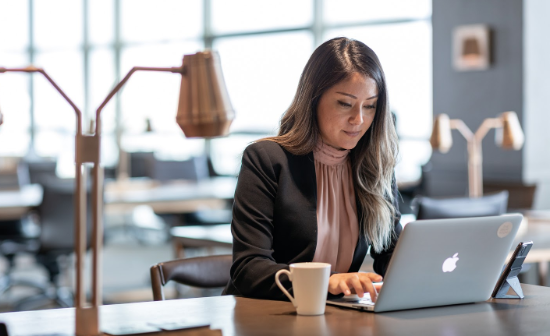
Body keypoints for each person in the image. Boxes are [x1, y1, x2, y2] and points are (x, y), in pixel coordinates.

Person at [223, 37, 401, 302]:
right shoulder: (266, 159)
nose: (359, 119)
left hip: (333, 317)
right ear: (313, 99)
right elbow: (249, 269)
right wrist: (325, 283)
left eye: (370, 106)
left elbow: (390, 253)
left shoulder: (374, 166)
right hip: (267, 315)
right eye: (345, 103)